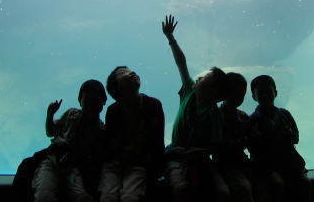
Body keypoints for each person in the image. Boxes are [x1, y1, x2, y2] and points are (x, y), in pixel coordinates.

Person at [161, 15, 229, 202]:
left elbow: (215, 146)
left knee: (220, 192)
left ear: (212, 90)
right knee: (181, 188)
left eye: (204, 78)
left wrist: (199, 152)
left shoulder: (214, 114)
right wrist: (171, 38)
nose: (198, 78)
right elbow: (181, 63)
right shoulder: (189, 92)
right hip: (176, 155)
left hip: (200, 160)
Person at [31, 79, 107, 202]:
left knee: (82, 197)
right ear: (80, 100)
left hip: (74, 167)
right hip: (53, 160)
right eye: (87, 99)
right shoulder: (71, 114)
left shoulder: (101, 130)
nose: (90, 104)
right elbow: (50, 132)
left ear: (103, 102)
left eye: (95, 100)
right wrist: (50, 115)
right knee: (44, 196)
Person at [98, 66, 165, 202]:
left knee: (130, 197)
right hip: (114, 165)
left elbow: (157, 142)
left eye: (129, 70)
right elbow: (109, 144)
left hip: (138, 164)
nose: (131, 72)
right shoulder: (112, 111)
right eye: (123, 73)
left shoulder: (153, 104)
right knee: (107, 196)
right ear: (116, 87)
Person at [247, 75, 311, 202]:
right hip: (266, 165)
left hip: (288, 162)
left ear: (275, 93)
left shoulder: (285, 114)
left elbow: (296, 138)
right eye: (261, 93)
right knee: (278, 184)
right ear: (254, 97)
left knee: (304, 183)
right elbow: (253, 150)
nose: (265, 95)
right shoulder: (253, 120)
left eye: (268, 91)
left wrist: (289, 135)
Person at [211, 72, 255, 202]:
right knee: (244, 188)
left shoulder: (244, 116)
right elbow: (216, 146)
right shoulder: (215, 115)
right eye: (236, 93)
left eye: (242, 95)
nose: (239, 98)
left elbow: (250, 141)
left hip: (242, 161)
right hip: (224, 164)